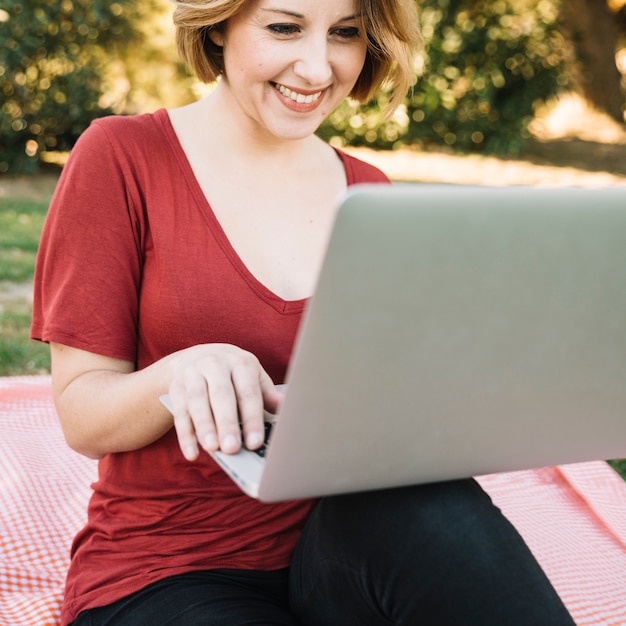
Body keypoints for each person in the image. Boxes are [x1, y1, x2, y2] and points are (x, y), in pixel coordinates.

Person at [31, 1, 576, 624]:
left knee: (432, 500)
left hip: (336, 555)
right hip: (166, 569)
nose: (317, 68)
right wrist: (180, 373)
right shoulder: (122, 156)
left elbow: (382, 407)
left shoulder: (369, 193)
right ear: (219, 24)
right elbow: (82, 415)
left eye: (344, 34)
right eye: (284, 27)